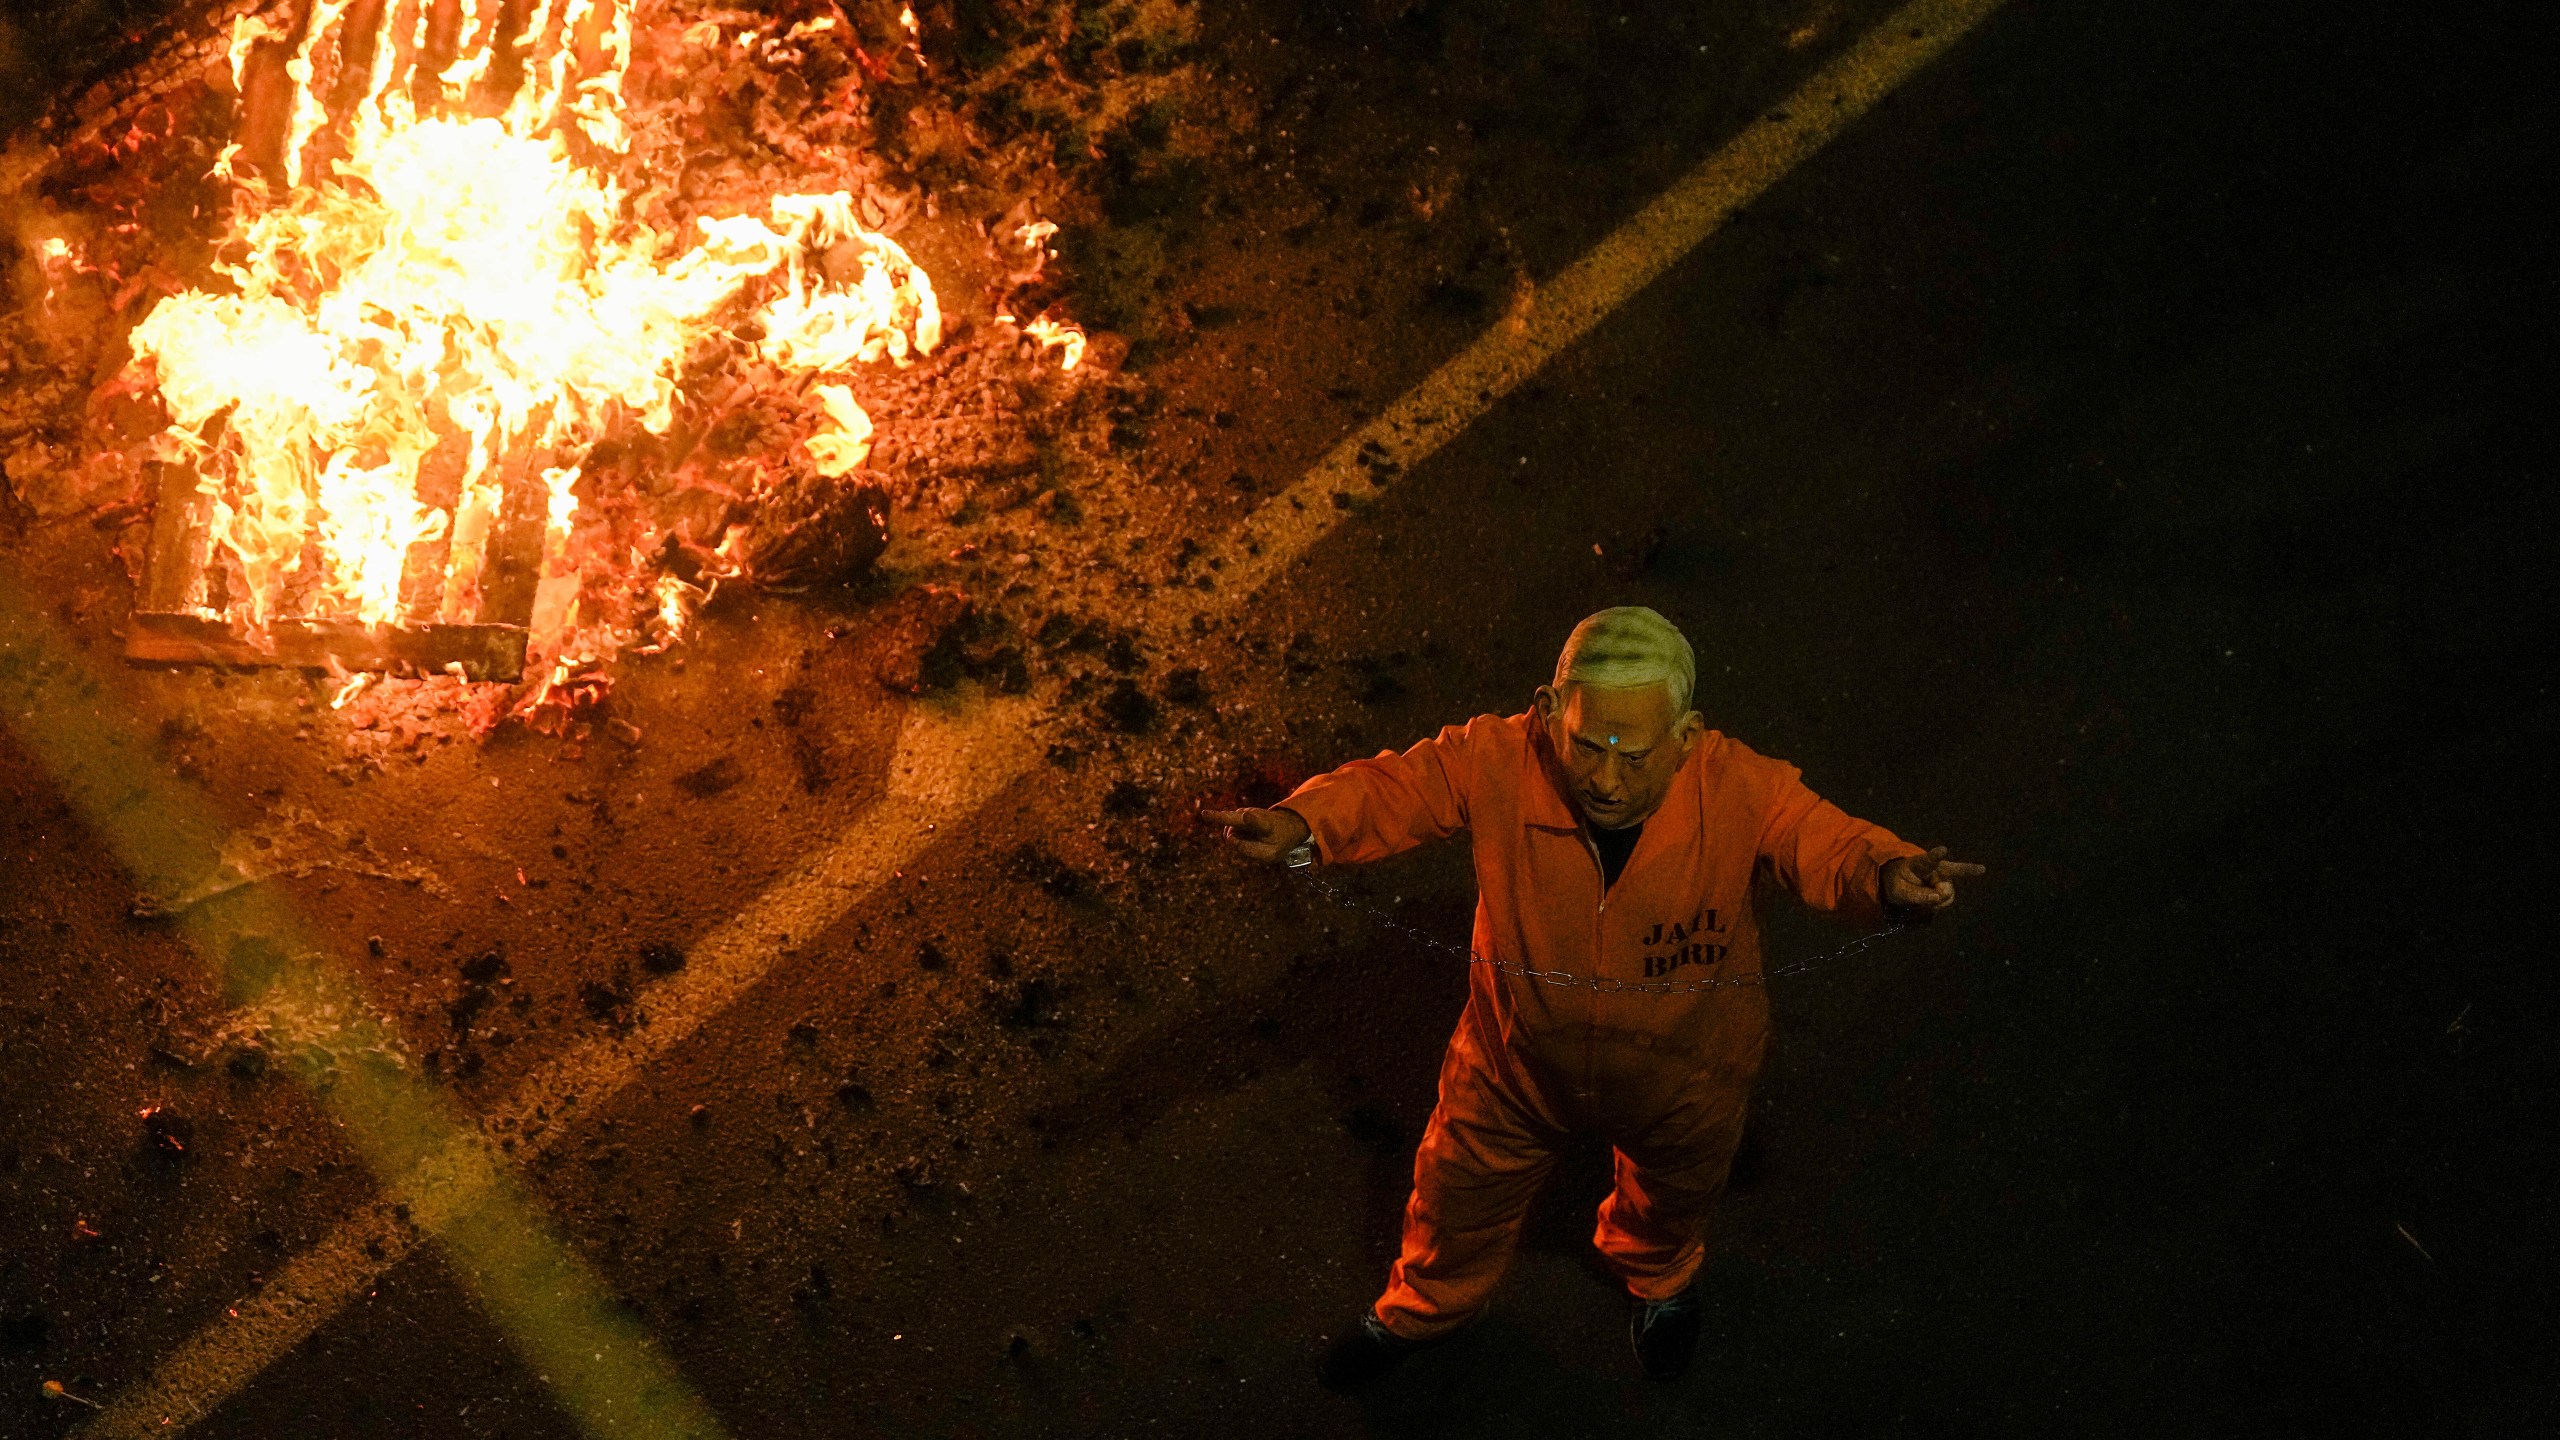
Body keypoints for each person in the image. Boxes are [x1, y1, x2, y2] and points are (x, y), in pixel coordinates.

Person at [1206, 606, 1984, 1388]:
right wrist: (1304, 821)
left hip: (1688, 1075)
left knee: (1674, 1196)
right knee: (1456, 1194)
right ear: (1548, 713)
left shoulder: (1741, 786)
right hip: (1513, 1064)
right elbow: (1400, 786)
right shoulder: (1499, 757)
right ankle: (1425, 1307)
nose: (1607, 781)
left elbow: (1828, 842)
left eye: (1635, 757)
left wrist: (1888, 874)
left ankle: (1660, 1278)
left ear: (1686, 739)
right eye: (1586, 746)